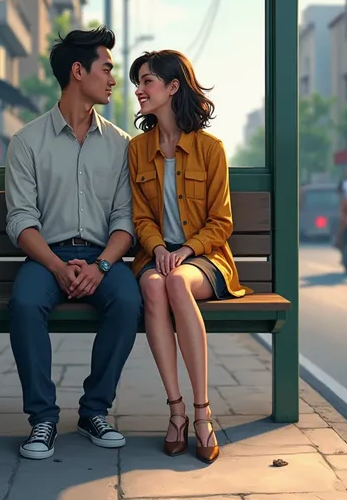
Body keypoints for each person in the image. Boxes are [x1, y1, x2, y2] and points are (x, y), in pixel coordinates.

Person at [6, 26, 142, 460]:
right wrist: (58, 267)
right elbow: (21, 220)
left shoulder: (122, 145)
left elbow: (125, 219)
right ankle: (43, 418)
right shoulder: (27, 142)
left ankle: (94, 411)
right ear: (78, 72)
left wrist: (101, 265)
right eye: (107, 68)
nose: (113, 79)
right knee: (25, 304)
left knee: (128, 301)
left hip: (104, 258)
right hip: (48, 256)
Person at [127, 50, 252, 464]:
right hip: (155, 257)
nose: (139, 90)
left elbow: (222, 222)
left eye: (146, 81)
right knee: (153, 287)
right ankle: (175, 410)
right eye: (138, 82)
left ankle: (202, 413)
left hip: (205, 260)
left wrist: (184, 250)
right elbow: (140, 216)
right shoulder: (137, 150)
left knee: (177, 282)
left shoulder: (210, 148)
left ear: (172, 86)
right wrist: (160, 248)